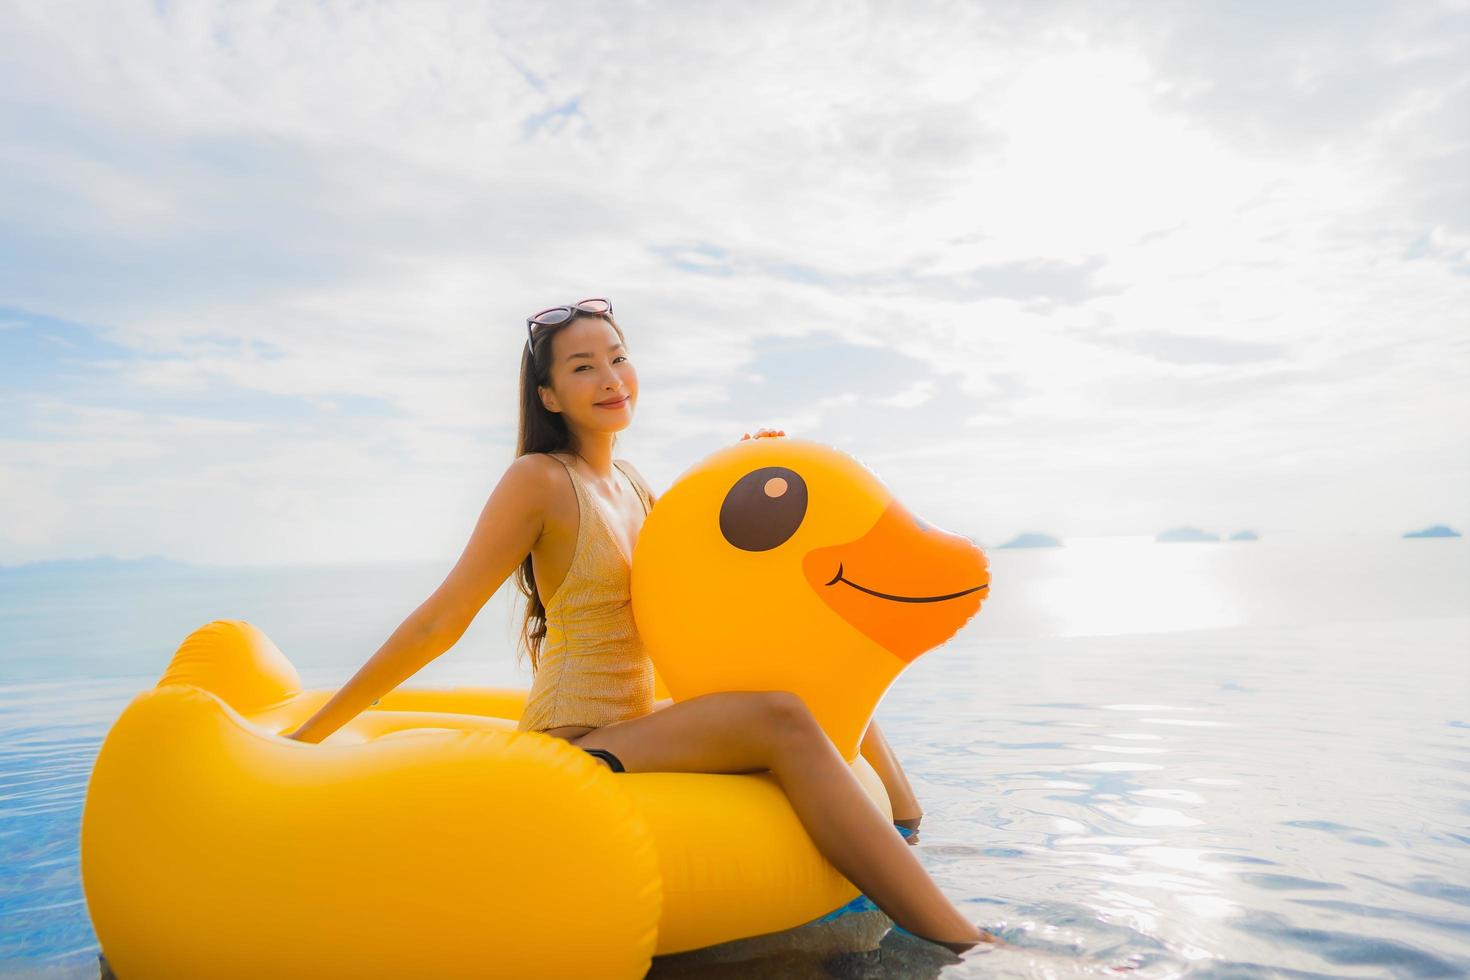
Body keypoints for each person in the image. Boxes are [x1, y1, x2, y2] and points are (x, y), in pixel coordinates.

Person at [282, 298, 998, 955]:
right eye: (583, 367)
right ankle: (962, 941)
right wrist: (313, 733)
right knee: (781, 717)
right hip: (573, 744)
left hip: (635, 728)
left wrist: (758, 461)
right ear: (549, 396)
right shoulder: (539, 480)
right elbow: (441, 620)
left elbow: (711, 584)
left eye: (618, 358)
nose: (610, 378)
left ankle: (909, 836)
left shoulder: (633, 484)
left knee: (797, 680)